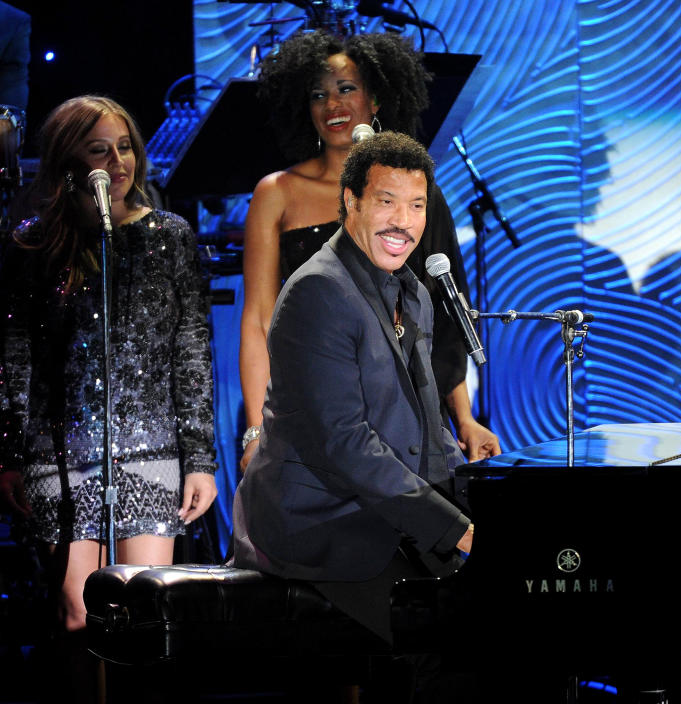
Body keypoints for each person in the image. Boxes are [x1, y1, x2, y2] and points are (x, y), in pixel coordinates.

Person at [0, 96, 217, 700]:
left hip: (151, 451)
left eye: (124, 146)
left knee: (144, 613)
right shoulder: (32, 245)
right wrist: (9, 454)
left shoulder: (170, 238)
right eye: (99, 149)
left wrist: (200, 459)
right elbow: (16, 357)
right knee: (78, 619)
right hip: (60, 457)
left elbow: (192, 352)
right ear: (70, 160)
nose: (117, 161)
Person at [233, 130, 471, 654]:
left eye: (415, 205)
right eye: (387, 202)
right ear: (351, 202)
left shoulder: (414, 292)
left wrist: (478, 504)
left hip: (379, 509)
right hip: (321, 522)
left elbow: (430, 429)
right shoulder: (319, 291)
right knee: (449, 645)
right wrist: (450, 527)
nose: (403, 222)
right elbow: (345, 443)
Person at [239, 30, 499, 471]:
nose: (332, 105)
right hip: (312, 405)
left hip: (407, 411)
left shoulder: (418, 196)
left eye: (346, 89)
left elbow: (443, 313)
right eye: (318, 94)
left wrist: (464, 418)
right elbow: (259, 318)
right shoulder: (277, 192)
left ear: (375, 101)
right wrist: (256, 429)